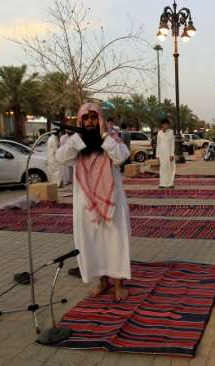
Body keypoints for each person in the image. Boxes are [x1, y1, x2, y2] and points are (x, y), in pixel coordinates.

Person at [55, 103, 131, 300]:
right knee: (93, 243)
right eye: (86, 118)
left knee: (116, 241)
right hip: (86, 202)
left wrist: (105, 136)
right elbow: (61, 158)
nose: (90, 121)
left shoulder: (112, 137)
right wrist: (76, 140)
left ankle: (119, 284)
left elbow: (121, 156)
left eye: (93, 117)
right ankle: (102, 281)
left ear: (100, 119)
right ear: (81, 120)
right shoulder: (74, 140)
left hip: (111, 201)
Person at [156, 119, 176, 188]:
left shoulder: (171, 132)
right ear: (162, 125)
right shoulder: (159, 133)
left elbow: (172, 144)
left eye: (167, 124)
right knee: (162, 168)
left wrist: (172, 154)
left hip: (169, 153)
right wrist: (157, 156)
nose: (166, 125)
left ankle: (170, 183)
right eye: (164, 124)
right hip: (162, 154)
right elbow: (158, 145)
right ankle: (162, 183)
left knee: (170, 168)